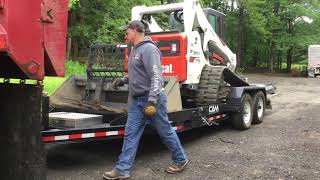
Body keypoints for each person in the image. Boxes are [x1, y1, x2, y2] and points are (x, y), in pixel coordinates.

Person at [103, 20, 188, 180]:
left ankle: (180, 159)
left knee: (165, 132)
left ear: (135, 30)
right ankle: (122, 169)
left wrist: (151, 101)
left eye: (126, 30)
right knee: (131, 134)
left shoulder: (149, 50)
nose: (125, 33)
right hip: (137, 101)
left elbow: (156, 77)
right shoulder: (136, 49)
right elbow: (138, 73)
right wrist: (124, 80)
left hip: (152, 100)